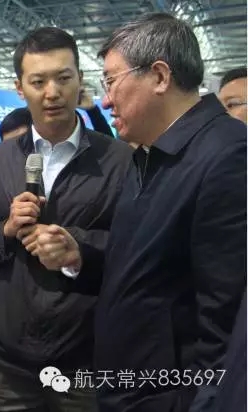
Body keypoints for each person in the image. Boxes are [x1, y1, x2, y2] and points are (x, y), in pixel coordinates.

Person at [0, 27, 132, 412]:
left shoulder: (118, 161)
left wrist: (79, 249)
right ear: (20, 88)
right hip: (9, 362)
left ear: (80, 80)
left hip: (86, 359)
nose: (52, 92)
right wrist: (6, 230)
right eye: (38, 82)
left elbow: (137, 249)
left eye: (63, 78)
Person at [83, 13, 246, 411]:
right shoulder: (151, 156)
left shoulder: (227, 156)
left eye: (111, 81)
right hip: (131, 389)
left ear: (159, 76)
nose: (105, 100)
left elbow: (225, 323)